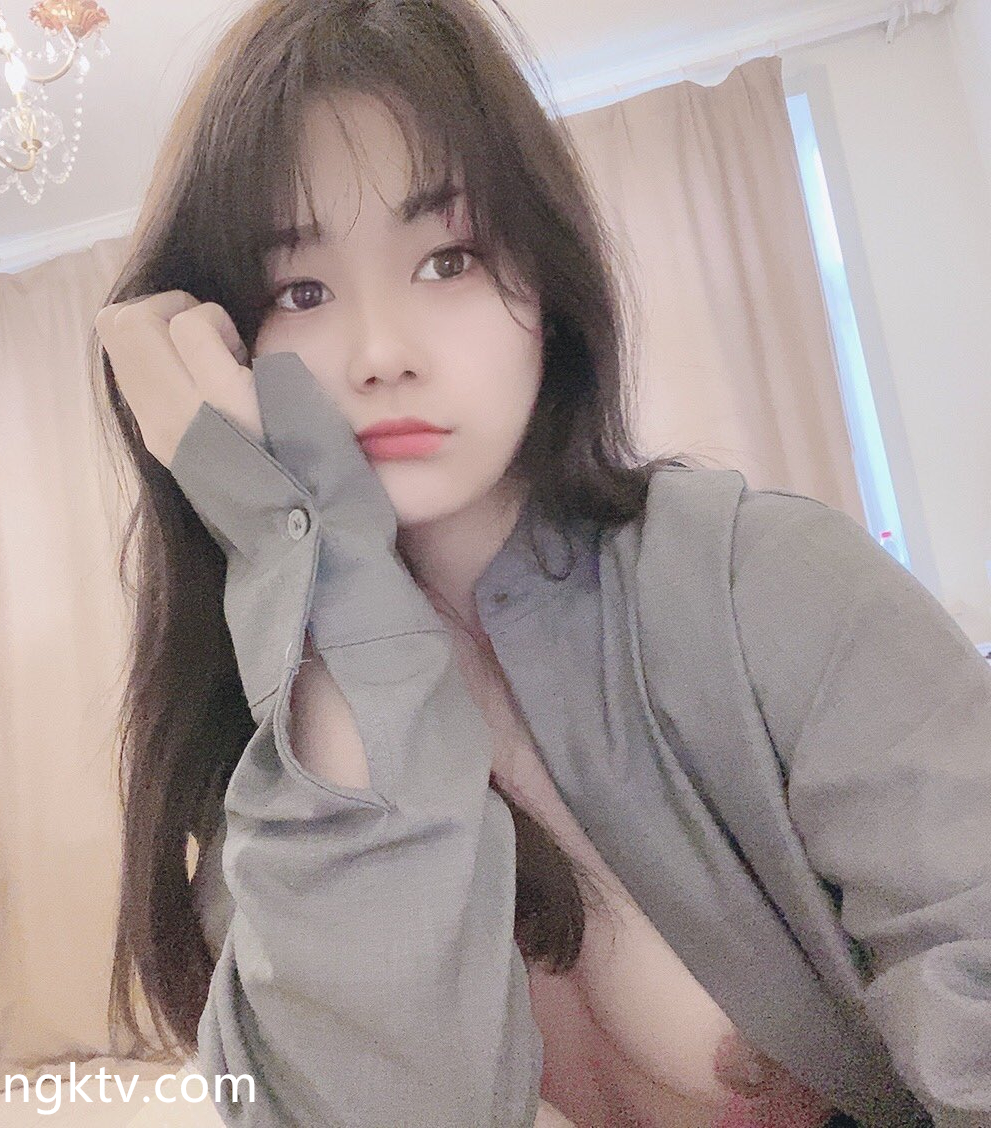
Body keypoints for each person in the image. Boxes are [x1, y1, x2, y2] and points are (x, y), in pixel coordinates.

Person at [89, 1, 991, 1125]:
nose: (381, 355)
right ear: (223, 343)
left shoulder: (764, 581)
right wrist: (312, 564)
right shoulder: (274, 763)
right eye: (300, 292)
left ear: (549, 299)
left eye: (449, 259)